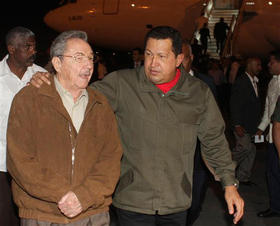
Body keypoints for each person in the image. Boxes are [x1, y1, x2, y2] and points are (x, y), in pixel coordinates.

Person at [30, 26, 244, 226]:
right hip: (132, 200)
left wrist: (229, 184)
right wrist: (51, 80)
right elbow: (80, 94)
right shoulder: (123, 84)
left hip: (176, 201)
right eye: (149, 54)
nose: (153, 63)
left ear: (179, 59)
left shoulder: (198, 93)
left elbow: (214, 141)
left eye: (162, 56)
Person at [7, 30, 122, 225]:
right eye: (78, 58)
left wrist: (83, 196)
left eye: (90, 58)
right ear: (57, 63)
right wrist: (62, 194)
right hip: (42, 214)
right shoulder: (29, 100)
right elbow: (20, 160)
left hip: (92, 214)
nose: (88, 65)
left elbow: (111, 159)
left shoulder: (100, 104)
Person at [0, 26, 47, 226]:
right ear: (11, 49)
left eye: (34, 47)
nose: (33, 51)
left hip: (33, 165)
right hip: (1, 164)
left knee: (31, 218)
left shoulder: (42, 76)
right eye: (27, 47)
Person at [181, 40, 217, 226]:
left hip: (198, 157)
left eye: (184, 58)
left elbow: (214, 122)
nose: (180, 64)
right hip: (173, 157)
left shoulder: (206, 83)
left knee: (194, 204)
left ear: (191, 58)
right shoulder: (162, 83)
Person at [230, 57, 262, 185]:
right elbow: (234, 104)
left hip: (251, 124)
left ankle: (243, 176)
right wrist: (237, 124)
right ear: (250, 65)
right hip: (242, 124)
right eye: (258, 65)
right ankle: (221, 166)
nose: (260, 68)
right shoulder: (241, 81)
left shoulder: (254, 81)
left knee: (251, 150)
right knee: (245, 147)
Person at [256, 51, 280, 218]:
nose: (268, 65)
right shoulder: (272, 82)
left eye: (271, 62)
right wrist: (261, 127)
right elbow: (268, 109)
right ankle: (275, 207)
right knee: (272, 173)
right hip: (272, 137)